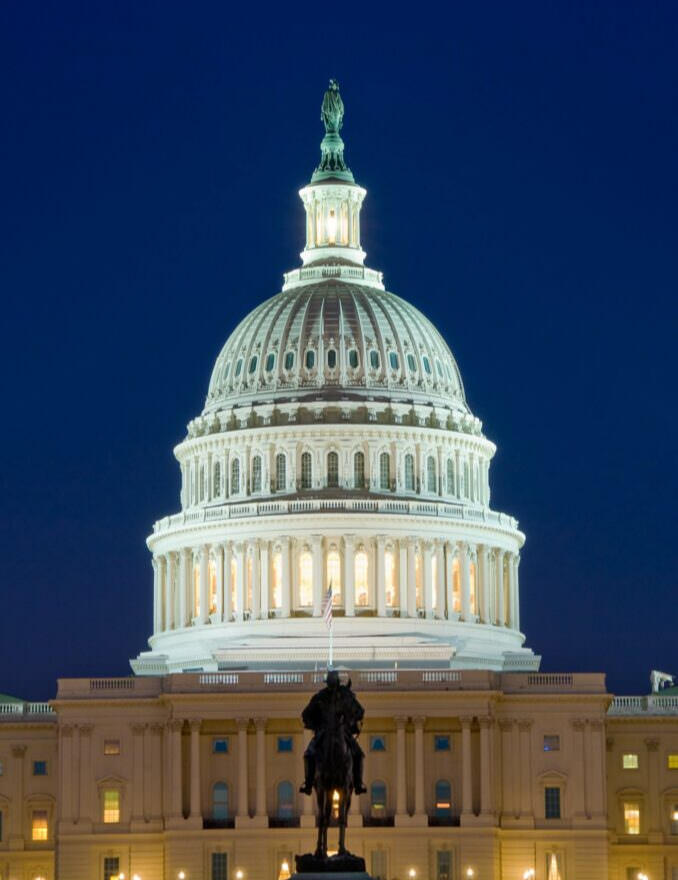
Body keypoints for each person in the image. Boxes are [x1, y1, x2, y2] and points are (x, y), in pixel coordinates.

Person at [300, 669, 366, 795]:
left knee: (358, 754)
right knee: (309, 754)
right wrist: (314, 723)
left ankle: (358, 783)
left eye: (333, 682)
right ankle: (308, 783)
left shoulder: (345, 695)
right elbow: (305, 714)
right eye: (330, 682)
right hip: (323, 732)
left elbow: (360, 711)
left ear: (337, 682)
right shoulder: (320, 696)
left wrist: (353, 720)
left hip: (343, 731)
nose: (332, 685)